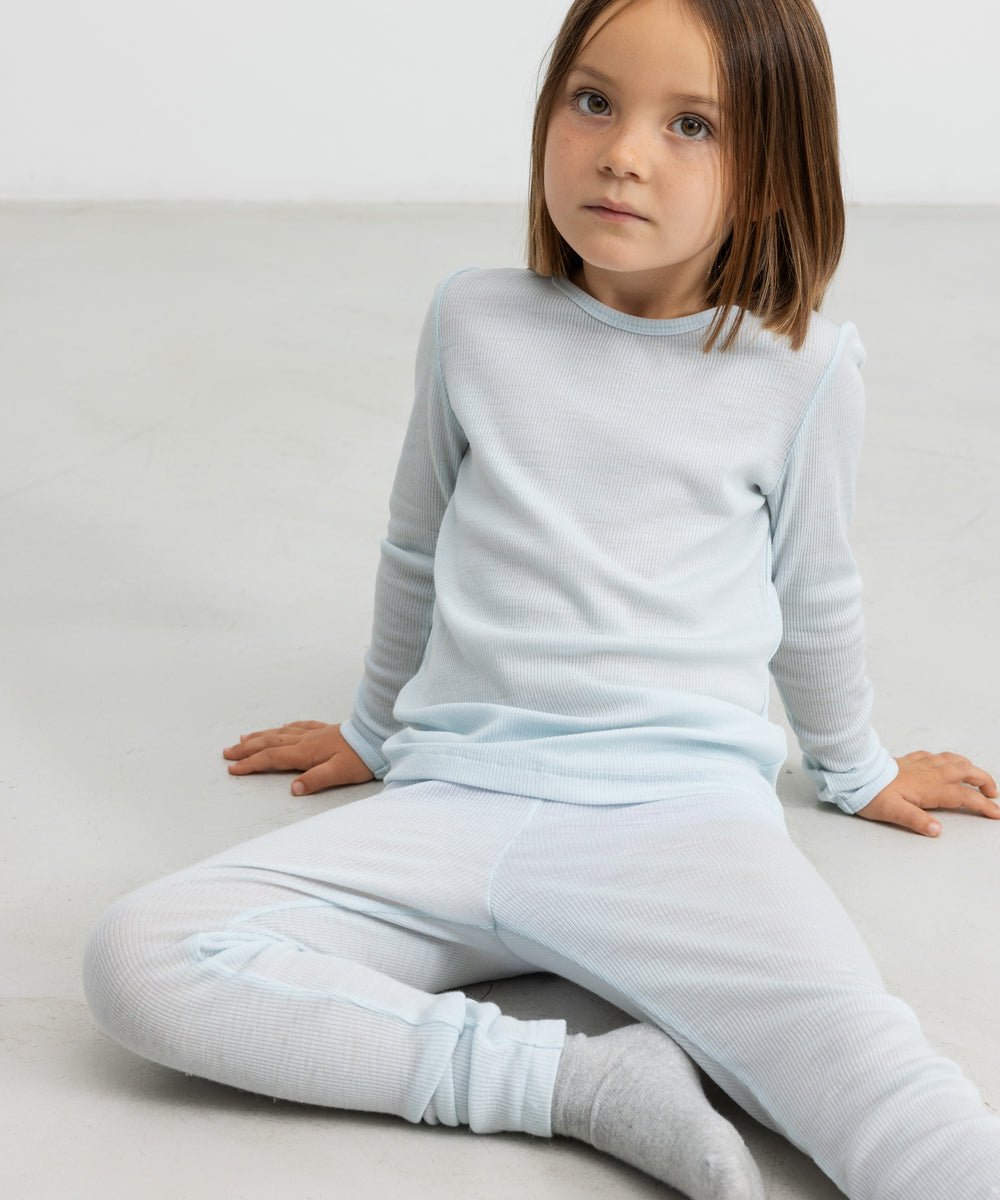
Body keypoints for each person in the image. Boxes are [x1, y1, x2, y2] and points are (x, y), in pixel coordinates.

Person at [84, 1, 1000, 1197]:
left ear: (775, 168)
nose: (622, 153)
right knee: (142, 955)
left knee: (879, 1082)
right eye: (593, 101)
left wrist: (856, 769)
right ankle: (580, 1086)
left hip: (680, 822)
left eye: (690, 125)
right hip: (452, 799)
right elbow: (416, 545)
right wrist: (371, 730)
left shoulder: (803, 367)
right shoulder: (474, 319)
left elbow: (814, 589)